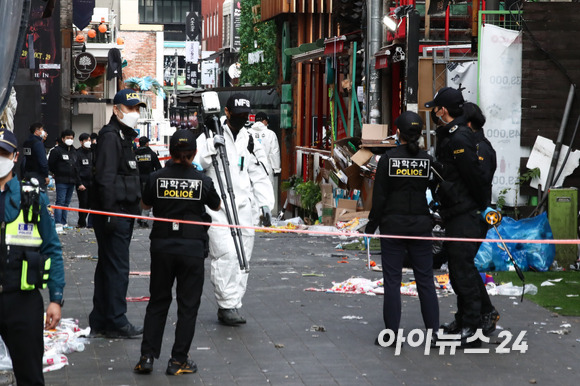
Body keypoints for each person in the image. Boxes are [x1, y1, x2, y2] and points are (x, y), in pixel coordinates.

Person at [134, 130, 221, 376]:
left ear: (170, 152)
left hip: (162, 247)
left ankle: (147, 357)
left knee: (158, 302)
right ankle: (178, 360)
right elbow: (216, 205)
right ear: (194, 153)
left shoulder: (156, 177)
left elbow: (145, 205)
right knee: (188, 306)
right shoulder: (201, 180)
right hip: (191, 249)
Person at [425, 87, 496, 347]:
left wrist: (478, 207)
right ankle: (467, 318)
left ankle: (472, 325)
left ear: (443, 109)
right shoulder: (453, 136)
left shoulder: (460, 138)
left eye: (436, 107)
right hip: (458, 211)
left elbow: (474, 179)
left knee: (462, 269)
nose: (434, 112)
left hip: (466, 213)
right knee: (457, 268)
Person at [195, 93, 274, 326]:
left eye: (244, 116)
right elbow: (197, 162)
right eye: (237, 115)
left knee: (243, 257)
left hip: (244, 209)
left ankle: (235, 302)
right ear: (227, 113)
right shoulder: (210, 134)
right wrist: (210, 147)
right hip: (218, 207)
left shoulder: (249, 139)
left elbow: (259, 174)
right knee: (226, 255)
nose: (241, 120)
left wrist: (265, 204)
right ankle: (226, 303)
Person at [366, 112, 439, 345]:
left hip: (393, 226)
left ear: (398, 133)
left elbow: (379, 198)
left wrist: (371, 226)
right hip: (420, 225)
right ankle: (433, 334)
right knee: (426, 280)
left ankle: (391, 335)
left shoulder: (387, 160)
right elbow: (440, 188)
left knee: (392, 281)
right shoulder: (427, 160)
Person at [0, 128, 65, 385]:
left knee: (30, 377)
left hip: (22, 301)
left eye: (3, 153)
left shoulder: (32, 198)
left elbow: (52, 248)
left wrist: (56, 299)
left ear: (15, 157)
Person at [89, 89, 145, 338]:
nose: (135, 113)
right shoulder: (111, 137)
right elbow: (105, 178)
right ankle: (116, 320)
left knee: (108, 266)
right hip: (115, 214)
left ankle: (101, 318)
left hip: (120, 212)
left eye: (137, 109)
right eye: (131, 108)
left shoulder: (123, 136)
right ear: (116, 109)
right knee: (118, 268)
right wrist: (111, 214)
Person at [463, 102, 500, 334]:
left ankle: (486, 311)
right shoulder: (470, 145)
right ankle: (474, 313)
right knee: (462, 265)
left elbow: (480, 181)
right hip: (468, 213)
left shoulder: (481, 149)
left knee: (465, 264)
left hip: (477, 215)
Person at [48, 129, 83, 231]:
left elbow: (76, 166)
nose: (70, 140)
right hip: (61, 180)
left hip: (71, 180)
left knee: (67, 203)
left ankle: (64, 222)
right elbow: (51, 164)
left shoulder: (74, 151)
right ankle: (58, 222)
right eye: (68, 138)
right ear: (63, 139)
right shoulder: (56, 151)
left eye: (72, 138)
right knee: (60, 201)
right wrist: (57, 173)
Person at [248, 112, 281, 211]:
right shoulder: (270, 134)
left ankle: (253, 215)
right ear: (264, 121)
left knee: (251, 191)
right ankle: (266, 214)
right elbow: (274, 152)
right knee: (266, 192)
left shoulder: (247, 132)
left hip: (250, 168)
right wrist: (276, 169)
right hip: (266, 168)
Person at [135, 136, 161, 228]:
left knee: (139, 199)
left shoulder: (134, 154)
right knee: (147, 199)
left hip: (136, 180)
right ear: (146, 143)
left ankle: (139, 217)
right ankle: (143, 219)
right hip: (148, 180)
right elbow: (158, 168)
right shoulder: (151, 154)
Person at [21, 122, 50, 189]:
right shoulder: (38, 143)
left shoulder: (26, 142)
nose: (43, 131)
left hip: (27, 173)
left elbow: (25, 159)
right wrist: (45, 175)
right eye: (42, 129)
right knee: (41, 196)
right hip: (38, 174)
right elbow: (43, 162)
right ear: (37, 131)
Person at [76, 133, 94, 228]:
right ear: (81, 142)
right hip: (82, 182)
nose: (88, 142)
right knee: (83, 202)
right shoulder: (78, 153)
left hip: (92, 182)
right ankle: (81, 222)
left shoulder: (92, 152)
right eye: (86, 140)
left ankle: (89, 222)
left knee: (90, 203)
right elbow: (76, 170)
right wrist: (79, 183)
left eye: (89, 140)